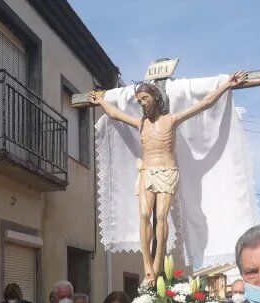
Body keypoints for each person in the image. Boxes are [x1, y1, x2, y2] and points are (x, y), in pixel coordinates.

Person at [88, 72, 248, 282]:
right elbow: (115, 114)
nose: (143, 103)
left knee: (161, 217)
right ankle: (147, 267)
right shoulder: (141, 124)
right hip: (146, 171)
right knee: (145, 216)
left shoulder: (171, 120)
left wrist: (227, 85)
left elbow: (205, 103)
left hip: (167, 171)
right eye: (139, 101)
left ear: (155, 97)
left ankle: (157, 263)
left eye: (145, 98)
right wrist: (100, 100)